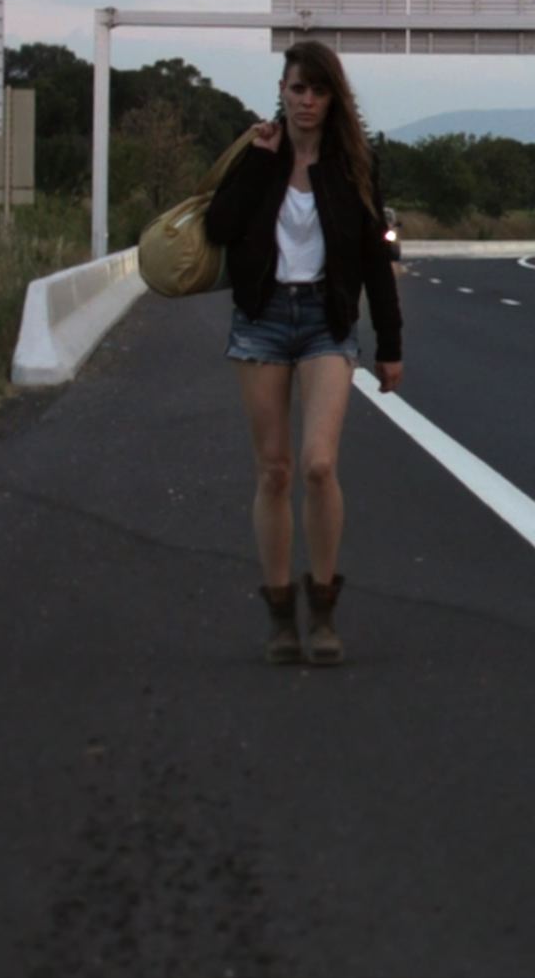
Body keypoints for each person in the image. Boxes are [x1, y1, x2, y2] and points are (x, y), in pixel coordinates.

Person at [201, 40, 406, 665]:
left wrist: (390, 346)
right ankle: (280, 611)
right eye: (297, 89)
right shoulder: (258, 155)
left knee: (318, 464)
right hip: (262, 322)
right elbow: (218, 228)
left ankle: (322, 609)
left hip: (325, 322)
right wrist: (260, 163)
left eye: (318, 90)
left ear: (332, 98)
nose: (307, 101)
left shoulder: (353, 167)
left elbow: (374, 261)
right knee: (275, 471)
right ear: (282, 92)